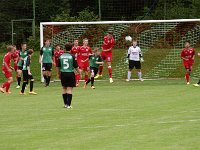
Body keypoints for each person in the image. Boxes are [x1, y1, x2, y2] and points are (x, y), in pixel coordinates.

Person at [58, 42, 80, 109]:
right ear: (71, 48)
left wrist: (59, 74)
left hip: (63, 73)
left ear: (65, 48)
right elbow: (76, 66)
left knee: (64, 88)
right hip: (70, 73)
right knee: (69, 88)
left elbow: (58, 67)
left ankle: (65, 104)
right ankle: (69, 105)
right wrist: (79, 73)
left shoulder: (60, 56)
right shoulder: (72, 56)